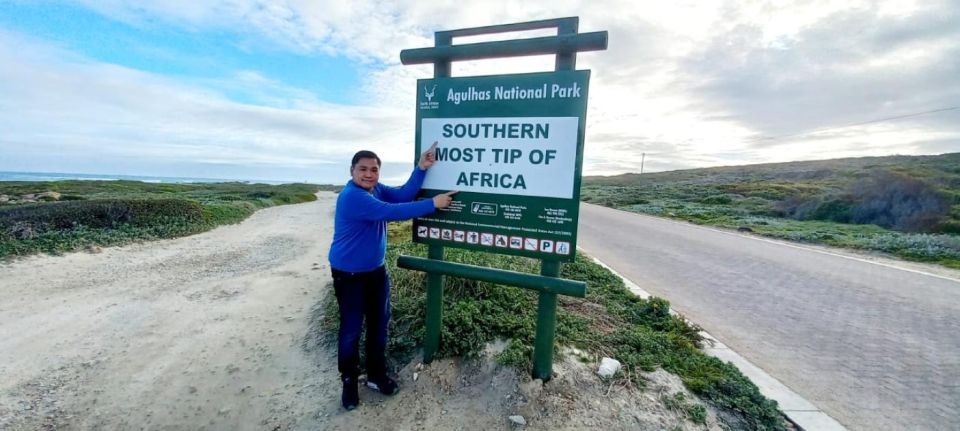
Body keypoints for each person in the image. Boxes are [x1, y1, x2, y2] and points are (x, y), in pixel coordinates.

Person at [328, 142, 456, 411]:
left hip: (375, 271)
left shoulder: (375, 189)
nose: (369, 174)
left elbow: (402, 196)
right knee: (351, 330)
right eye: (363, 169)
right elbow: (392, 212)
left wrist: (421, 168)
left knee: (379, 325)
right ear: (351, 170)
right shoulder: (353, 197)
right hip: (348, 275)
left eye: (374, 169)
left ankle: (375, 375)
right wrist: (433, 203)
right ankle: (349, 381)